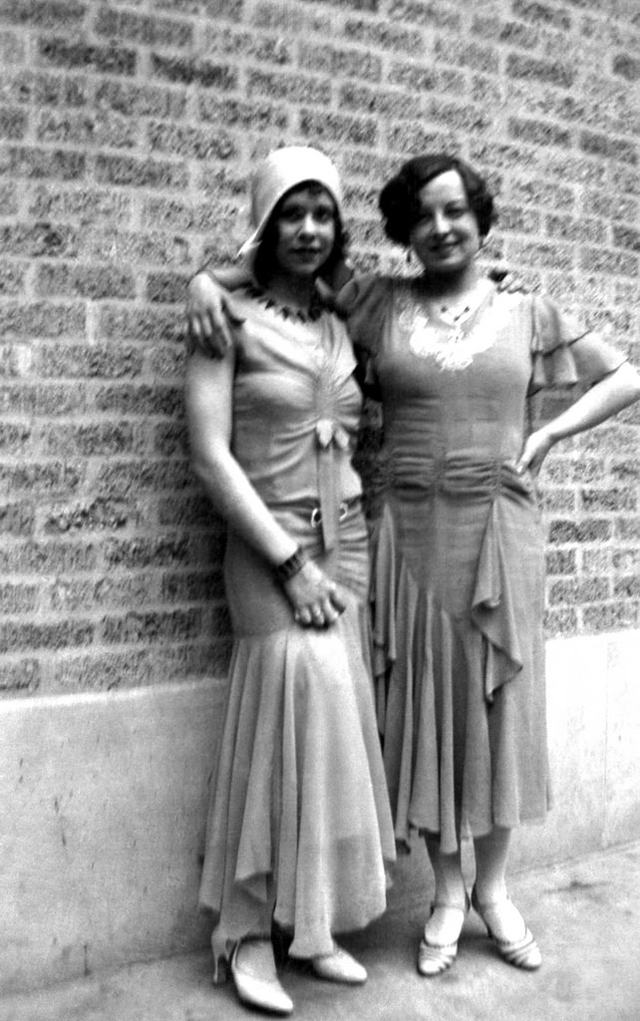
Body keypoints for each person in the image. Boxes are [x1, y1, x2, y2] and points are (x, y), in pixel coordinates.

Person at [186, 152, 640, 980]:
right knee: (429, 706)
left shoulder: (527, 307)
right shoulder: (377, 303)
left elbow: (626, 375)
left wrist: (546, 433)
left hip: (500, 528)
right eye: (424, 214)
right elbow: (279, 264)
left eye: (456, 210)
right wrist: (200, 284)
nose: (441, 227)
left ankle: (495, 891)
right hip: (407, 532)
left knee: (499, 707)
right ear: (402, 228)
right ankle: (447, 894)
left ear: (480, 217)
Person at [184, 146, 396, 1016]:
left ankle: (311, 926)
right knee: (278, 729)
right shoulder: (222, 316)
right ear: (265, 223)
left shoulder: (342, 318)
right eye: (290, 212)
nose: (308, 228)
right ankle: (241, 934)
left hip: (348, 546)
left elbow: (430, 304)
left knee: (331, 736)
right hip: (273, 553)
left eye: (323, 213)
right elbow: (210, 456)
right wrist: (289, 562)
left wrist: (495, 278)